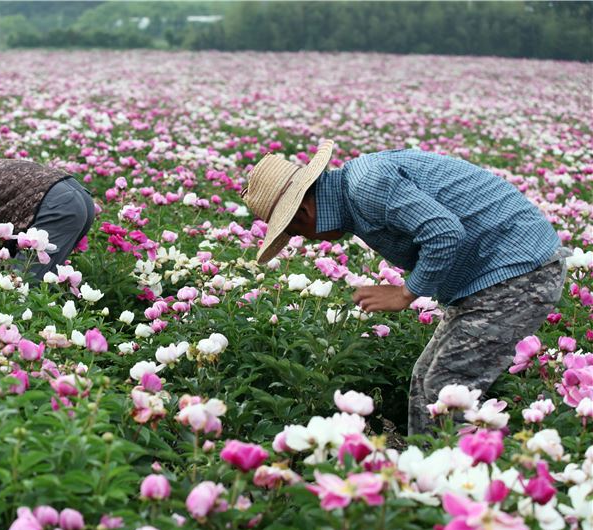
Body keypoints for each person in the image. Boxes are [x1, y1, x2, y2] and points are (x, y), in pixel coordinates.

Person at [242, 139, 567, 435]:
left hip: (520, 272)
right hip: (493, 273)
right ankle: (430, 471)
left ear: (304, 211)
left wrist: (405, 293)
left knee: (445, 388)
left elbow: (444, 234)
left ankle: (455, 480)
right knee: (426, 380)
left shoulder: (367, 185)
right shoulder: (356, 190)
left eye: (294, 230)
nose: (302, 238)